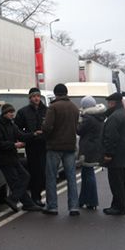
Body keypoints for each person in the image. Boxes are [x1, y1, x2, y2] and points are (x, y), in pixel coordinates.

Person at [0, 103, 43, 212]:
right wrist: (14, 145)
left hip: (13, 157)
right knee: (15, 182)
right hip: (4, 159)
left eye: (13, 112)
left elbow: (21, 136)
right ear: (4, 113)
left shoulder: (11, 124)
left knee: (25, 176)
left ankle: (13, 199)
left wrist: (33, 134)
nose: (12, 114)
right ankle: (27, 204)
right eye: (10, 112)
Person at [42, 83, 80, 216]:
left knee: (51, 177)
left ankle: (52, 206)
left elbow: (47, 127)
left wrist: (45, 136)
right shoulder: (74, 107)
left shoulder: (53, 107)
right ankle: (74, 207)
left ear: (56, 93)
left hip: (54, 146)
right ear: (66, 93)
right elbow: (77, 127)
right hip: (70, 146)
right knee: (71, 178)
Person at [15, 87, 47, 207]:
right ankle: (35, 198)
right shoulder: (23, 112)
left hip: (44, 145)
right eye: (33, 96)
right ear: (30, 98)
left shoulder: (47, 110)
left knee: (44, 172)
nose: (36, 98)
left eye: (38, 96)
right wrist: (26, 137)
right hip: (32, 145)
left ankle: (41, 195)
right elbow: (17, 129)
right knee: (34, 172)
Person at [102, 92, 125, 216]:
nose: (107, 105)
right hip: (124, 153)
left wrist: (108, 153)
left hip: (116, 155)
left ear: (112, 103)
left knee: (115, 182)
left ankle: (119, 207)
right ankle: (116, 205)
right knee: (121, 181)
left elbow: (111, 137)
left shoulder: (114, 117)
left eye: (109, 103)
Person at [77, 96, 106, 210]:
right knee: (86, 174)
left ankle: (92, 200)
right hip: (95, 147)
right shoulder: (98, 116)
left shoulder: (88, 118)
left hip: (87, 149)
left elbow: (79, 130)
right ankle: (84, 200)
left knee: (88, 175)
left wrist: (77, 122)